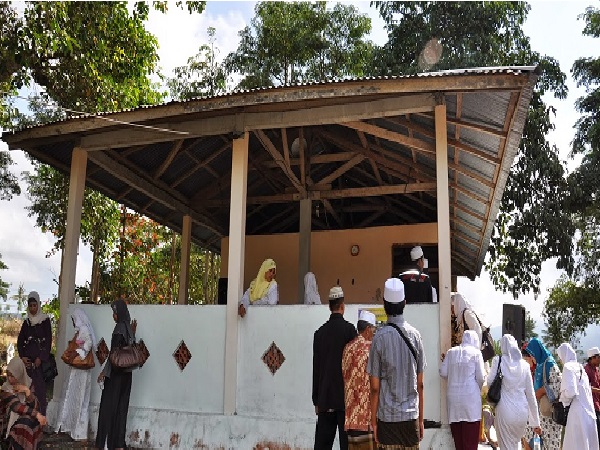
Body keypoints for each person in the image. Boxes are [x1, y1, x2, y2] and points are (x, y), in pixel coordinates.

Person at [367, 278, 426, 449]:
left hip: (387, 421)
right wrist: (420, 420)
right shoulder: (415, 336)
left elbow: (375, 388)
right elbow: (420, 384)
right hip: (410, 421)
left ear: (384, 305)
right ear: (404, 303)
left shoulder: (379, 338)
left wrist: (373, 422)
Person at [313, 286, 358, 449]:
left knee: (322, 445)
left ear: (329, 305)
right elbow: (354, 367)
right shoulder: (349, 331)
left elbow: (316, 368)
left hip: (325, 398)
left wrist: (316, 399)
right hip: (345, 399)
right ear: (342, 305)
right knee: (346, 445)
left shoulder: (319, 334)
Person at [96, 299, 137, 450]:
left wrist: (104, 373)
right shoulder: (129, 328)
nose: (113, 316)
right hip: (127, 375)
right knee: (121, 408)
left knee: (108, 408)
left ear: (118, 313)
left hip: (115, 375)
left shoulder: (118, 329)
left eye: (114, 313)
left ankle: (106, 443)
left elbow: (114, 355)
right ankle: (119, 444)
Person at [487, 334, 541, 450]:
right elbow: (531, 395)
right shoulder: (525, 366)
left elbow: (490, 382)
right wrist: (536, 422)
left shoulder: (499, 361)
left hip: (505, 411)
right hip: (522, 413)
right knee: (516, 444)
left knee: (506, 446)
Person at [55, 308, 97, 440]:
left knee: (79, 400)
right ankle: (71, 428)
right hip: (77, 370)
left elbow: (88, 344)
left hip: (81, 372)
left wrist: (77, 353)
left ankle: (78, 432)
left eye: (74, 319)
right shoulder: (79, 331)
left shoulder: (84, 330)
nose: (73, 322)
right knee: (74, 399)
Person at [439, 330, 485, 450]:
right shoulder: (476, 353)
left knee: (458, 442)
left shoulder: (451, 352)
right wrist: (476, 389)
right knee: (470, 442)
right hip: (470, 402)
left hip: (453, 401)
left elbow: (443, 372)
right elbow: (481, 377)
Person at [342, 310, 376, 450]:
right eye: (374, 330)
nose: (374, 334)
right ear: (368, 329)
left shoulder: (347, 348)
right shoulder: (371, 349)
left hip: (350, 417)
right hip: (366, 418)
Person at [557, 342, 600, 449]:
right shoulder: (580, 366)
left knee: (575, 444)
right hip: (588, 411)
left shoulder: (568, 367)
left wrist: (562, 397)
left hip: (577, 412)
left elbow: (571, 392)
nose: (560, 360)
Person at [0, 357, 48, 450]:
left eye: (12, 376)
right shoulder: (5, 388)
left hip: (24, 416)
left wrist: (27, 392)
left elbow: (36, 406)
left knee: (31, 420)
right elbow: (16, 406)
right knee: (25, 422)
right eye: (8, 375)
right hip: (6, 422)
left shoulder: (28, 383)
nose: (10, 379)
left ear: (20, 373)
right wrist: (37, 414)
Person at [17, 291, 52, 415]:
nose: (32, 308)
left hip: (40, 365)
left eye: (34, 305)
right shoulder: (26, 323)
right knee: (27, 391)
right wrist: (23, 357)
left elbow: (48, 341)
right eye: (30, 306)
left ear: (38, 305)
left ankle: (41, 421)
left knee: (40, 392)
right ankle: (29, 421)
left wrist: (40, 358)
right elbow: (20, 341)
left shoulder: (45, 320)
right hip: (28, 365)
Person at [525, 338, 563, 450]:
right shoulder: (540, 366)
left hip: (549, 414)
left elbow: (557, 386)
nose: (531, 357)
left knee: (551, 444)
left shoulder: (550, 364)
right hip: (540, 413)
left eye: (532, 354)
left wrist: (540, 391)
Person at [584, 346, 600, 441]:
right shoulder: (586, 370)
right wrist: (598, 391)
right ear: (592, 358)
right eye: (598, 357)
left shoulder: (596, 370)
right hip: (591, 406)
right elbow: (585, 387)